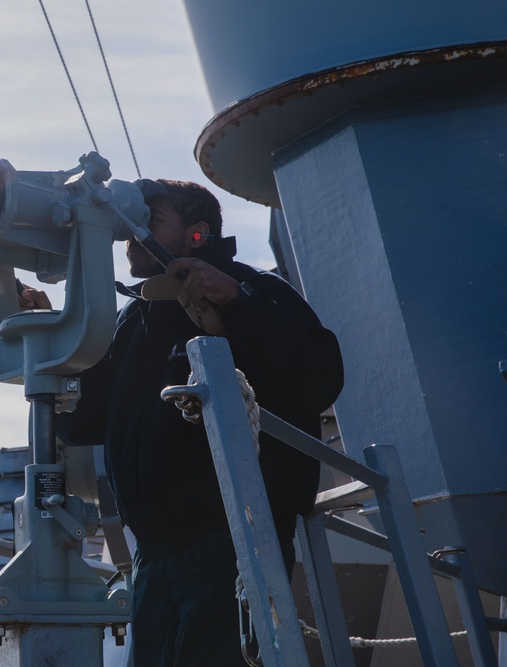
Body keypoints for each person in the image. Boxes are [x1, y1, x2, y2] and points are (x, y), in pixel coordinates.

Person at [42, 179, 344, 665]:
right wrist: (50, 350)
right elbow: (84, 423)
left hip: (231, 541)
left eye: (149, 222)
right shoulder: (133, 320)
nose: (130, 239)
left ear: (198, 234)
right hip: (152, 555)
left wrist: (238, 304)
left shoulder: (257, 290)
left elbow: (318, 378)